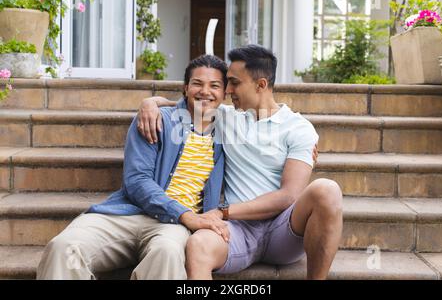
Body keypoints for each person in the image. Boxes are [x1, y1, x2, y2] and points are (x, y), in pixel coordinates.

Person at [137, 45, 343, 280]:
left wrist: (223, 212)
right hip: (237, 231)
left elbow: (288, 196)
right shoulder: (225, 117)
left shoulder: (299, 129)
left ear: (261, 84)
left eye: (234, 83)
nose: (227, 90)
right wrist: (150, 103)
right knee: (198, 244)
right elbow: (189, 102)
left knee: (327, 190)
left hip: (283, 230)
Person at [36, 54, 230, 280]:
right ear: (185, 88)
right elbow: (137, 182)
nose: (205, 91)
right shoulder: (156, 120)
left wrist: (153, 99)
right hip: (128, 214)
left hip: (173, 227)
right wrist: (152, 103)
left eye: (214, 86)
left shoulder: (229, 131)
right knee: (64, 248)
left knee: (166, 253)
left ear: (225, 93)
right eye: (197, 83)